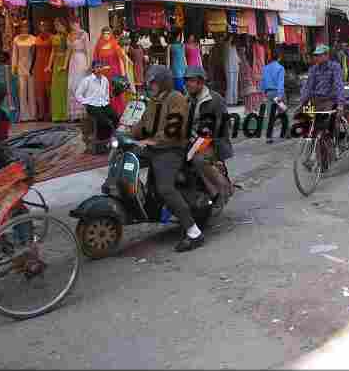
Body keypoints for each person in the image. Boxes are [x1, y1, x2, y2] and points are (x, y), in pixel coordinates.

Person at [132, 65, 202, 252]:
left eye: (154, 82)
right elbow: (144, 124)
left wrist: (152, 140)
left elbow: (174, 130)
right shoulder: (155, 101)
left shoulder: (176, 98)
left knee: (165, 188)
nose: (151, 86)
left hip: (172, 149)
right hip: (156, 147)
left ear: (163, 82)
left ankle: (194, 232)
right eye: (150, 83)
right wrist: (129, 132)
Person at [184, 66, 234, 209]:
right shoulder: (186, 98)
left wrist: (205, 136)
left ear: (201, 82)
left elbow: (222, 127)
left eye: (191, 81)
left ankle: (220, 190)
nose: (188, 84)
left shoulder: (215, 99)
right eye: (186, 81)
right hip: (192, 139)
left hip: (214, 142)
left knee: (197, 159)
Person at [299, 45, 346, 156]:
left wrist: (340, 103)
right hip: (316, 100)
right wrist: (302, 101)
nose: (317, 58)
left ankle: (336, 144)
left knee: (332, 122)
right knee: (305, 118)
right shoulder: (313, 69)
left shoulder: (335, 67)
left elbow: (339, 85)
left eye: (319, 55)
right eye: (316, 55)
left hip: (330, 100)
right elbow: (308, 87)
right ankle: (311, 145)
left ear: (326, 55)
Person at [75, 60, 119, 141]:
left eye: (100, 67)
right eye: (97, 67)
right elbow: (78, 94)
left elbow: (106, 92)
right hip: (92, 105)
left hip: (103, 104)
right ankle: (102, 140)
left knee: (115, 117)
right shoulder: (87, 80)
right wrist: (85, 102)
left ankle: (111, 137)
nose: (99, 69)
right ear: (93, 69)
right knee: (103, 120)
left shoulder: (105, 79)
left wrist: (106, 101)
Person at [260, 48, 286, 144]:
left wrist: (263, 93)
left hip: (268, 93)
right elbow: (280, 82)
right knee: (282, 111)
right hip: (277, 94)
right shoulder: (280, 68)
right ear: (279, 57)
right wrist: (280, 95)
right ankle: (286, 132)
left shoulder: (265, 68)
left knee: (270, 115)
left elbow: (262, 82)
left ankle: (269, 137)